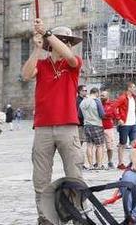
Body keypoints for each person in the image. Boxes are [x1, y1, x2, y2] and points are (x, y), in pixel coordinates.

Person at [21, 18, 85, 224]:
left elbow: (70, 57)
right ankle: (45, 218)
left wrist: (48, 33)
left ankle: (78, 215)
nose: (66, 45)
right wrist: (37, 49)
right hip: (43, 128)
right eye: (62, 40)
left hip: (68, 127)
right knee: (40, 179)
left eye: (68, 41)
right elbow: (26, 75)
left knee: (75, 175)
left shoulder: (73, 63)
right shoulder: (42, 64)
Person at [79, 87, 106, 170]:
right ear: (97, 93)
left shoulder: (83, 102)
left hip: (86, 125)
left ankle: (90, 165)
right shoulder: (97, 101)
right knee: (100, 146)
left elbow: (79, 115)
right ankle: (99, 165)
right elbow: (102, 114)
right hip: (97, 124)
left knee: (89, 146)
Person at [116, 82, 136, 169]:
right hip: (125, 124)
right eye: (134, 88)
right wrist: (118, 118)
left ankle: (134, 162)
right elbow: (114, 107)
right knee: (123, 144)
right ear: (129, 88)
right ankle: (120, 163)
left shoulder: (133, 98)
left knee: (135, 143)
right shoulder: (122, 97)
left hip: (133, 123)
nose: (135, 89)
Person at [100, 90, 118, 169]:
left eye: (103, 95)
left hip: (109, 128)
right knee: (99, 146)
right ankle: (100, 163)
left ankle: (110, 161)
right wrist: (106, 115)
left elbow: (115, 115)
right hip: (99, 127)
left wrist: (105, 115)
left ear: (107, 96)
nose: (101, 97)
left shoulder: (112, 104)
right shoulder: (98, 104)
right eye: (101, 95)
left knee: (109, 147)